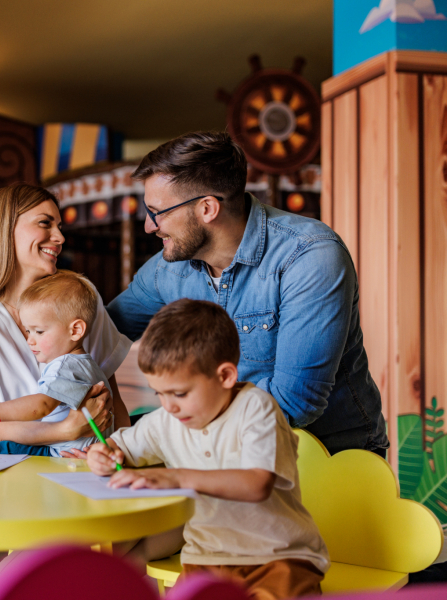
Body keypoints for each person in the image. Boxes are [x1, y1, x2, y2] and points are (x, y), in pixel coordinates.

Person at [107, 131, 388, 456]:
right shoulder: (168, 269)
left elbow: (294, 403)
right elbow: (102, 333)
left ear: (207, 208)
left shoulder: (309, 256)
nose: (149, 226)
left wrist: (161, 432)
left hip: (329, 459)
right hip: (223, 452)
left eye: (158, 212)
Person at [88, 299, 329, 600]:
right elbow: (122, 446)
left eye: (179, 393)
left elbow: (256, 483)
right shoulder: (167, 418)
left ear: (225, 376)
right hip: (204, 557)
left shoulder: (256, 409)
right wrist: (104, 453)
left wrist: (175, 478)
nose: (168, 405)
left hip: (277, 557)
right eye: (159, 393)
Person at [0, 183, 132, 454]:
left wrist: (120, 457)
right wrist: (67, 431)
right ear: (2, 230)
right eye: (45, 223)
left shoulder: (81, 298)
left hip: (72, 468)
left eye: (59, 227)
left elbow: (113, 404)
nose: (60, 238)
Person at [0, 270, 113, 456]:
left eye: (39, 332)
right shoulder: (88, 366)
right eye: (28, 331)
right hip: (86, 453)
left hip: (60, 454)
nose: (30, 341)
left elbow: (42, 405)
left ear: (75, 330)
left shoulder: (64, 366)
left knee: (3, 449)